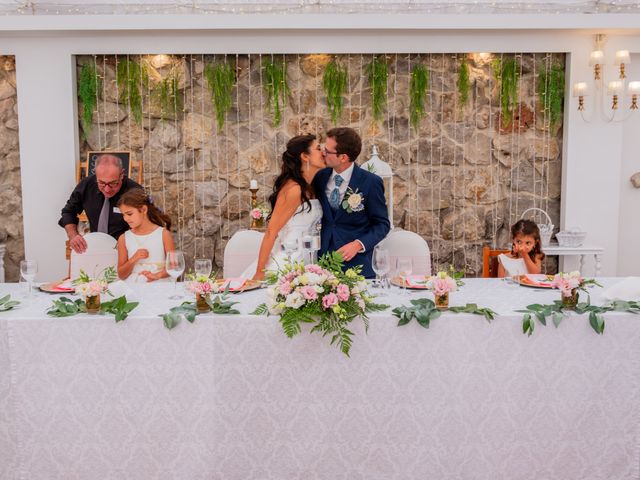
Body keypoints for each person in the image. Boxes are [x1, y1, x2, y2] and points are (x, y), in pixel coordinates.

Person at [244, 134, 326, 281]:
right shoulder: (294, 189)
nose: (323, 152)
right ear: (305, 157)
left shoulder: (310, 186)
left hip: (308, 256)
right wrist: (259, 272)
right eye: (318, 148)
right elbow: (271, 231)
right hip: (289, 258)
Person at [313, 127, 391, 278]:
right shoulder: (320, 177)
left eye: (328, 151)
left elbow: (382, 224)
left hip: (357, 266)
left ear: (343, 157)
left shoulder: (371, 182)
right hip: (322, 265)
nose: (323, 153)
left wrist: (358, 244)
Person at [59, 154, 143, 254]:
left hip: (126, 249)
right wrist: (73, 235)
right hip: (93, 245)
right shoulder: (87, 184)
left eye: (113, 183)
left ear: (122, 174)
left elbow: (146, 225)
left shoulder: (135, 191)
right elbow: (68, 211)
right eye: (102, 183)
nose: (107, 189)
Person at [116, 189, 175, 283]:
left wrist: (156, 275)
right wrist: (134, 259)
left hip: (160, 284)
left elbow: (173, 266)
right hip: (134, 286)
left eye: (129, 214)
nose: (126, 219)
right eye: (123, 215)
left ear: (143, 209)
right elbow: (121, 275)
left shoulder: (163, 234)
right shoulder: (123, 238)